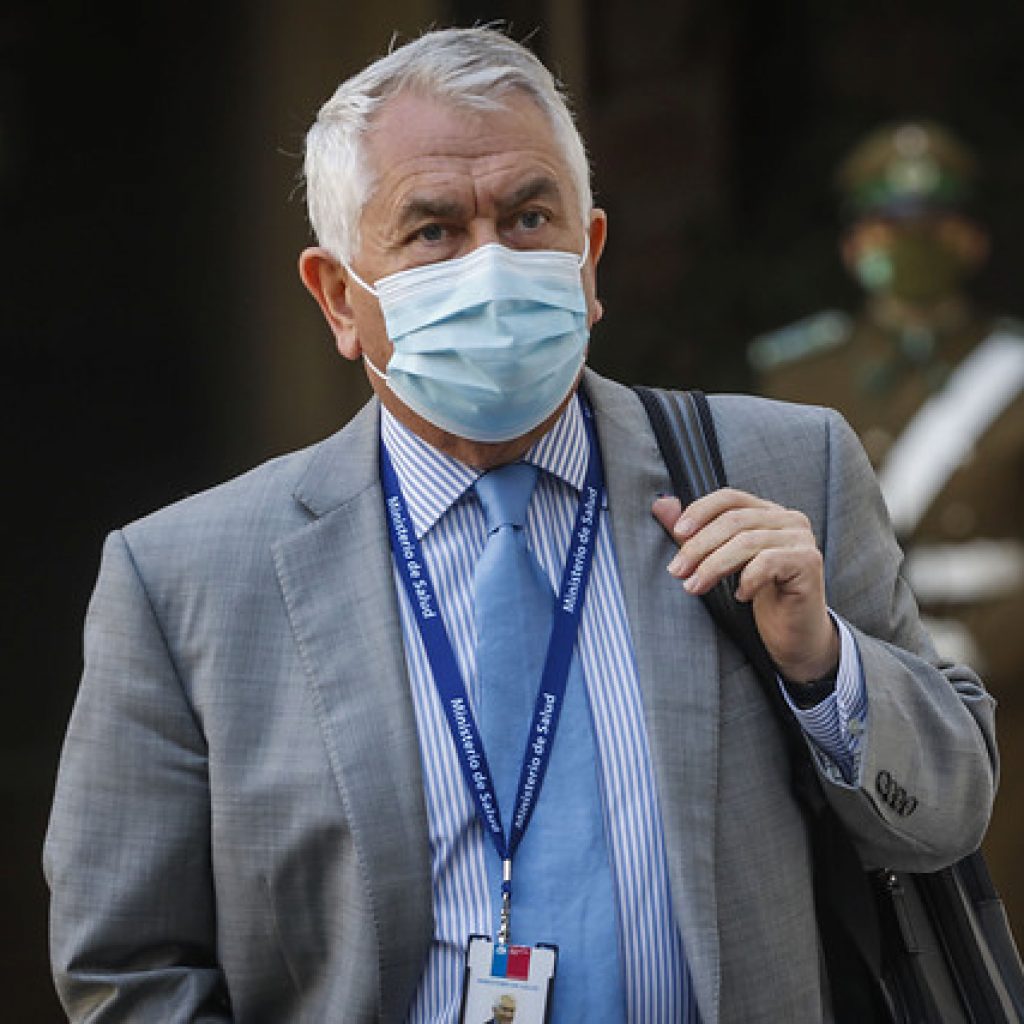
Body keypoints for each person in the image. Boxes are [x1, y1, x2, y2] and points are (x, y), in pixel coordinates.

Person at [44, 29, 996, 1024]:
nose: (491, 264)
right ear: (338, 298)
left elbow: (946, 814)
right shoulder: (187, 581)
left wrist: (823, 667)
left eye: (528, 217)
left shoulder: (783, 471)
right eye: (433, 231)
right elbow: (129, 968)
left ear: (589, 257)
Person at [749, 120, 1024, 934]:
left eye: (932, 226)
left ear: (971, 240)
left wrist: (981, 646)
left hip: (1004, 703)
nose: (909, 245)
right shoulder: (795, 373)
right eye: (889, 226)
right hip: (848, 687)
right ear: (855, 243)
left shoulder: (1011, 372)